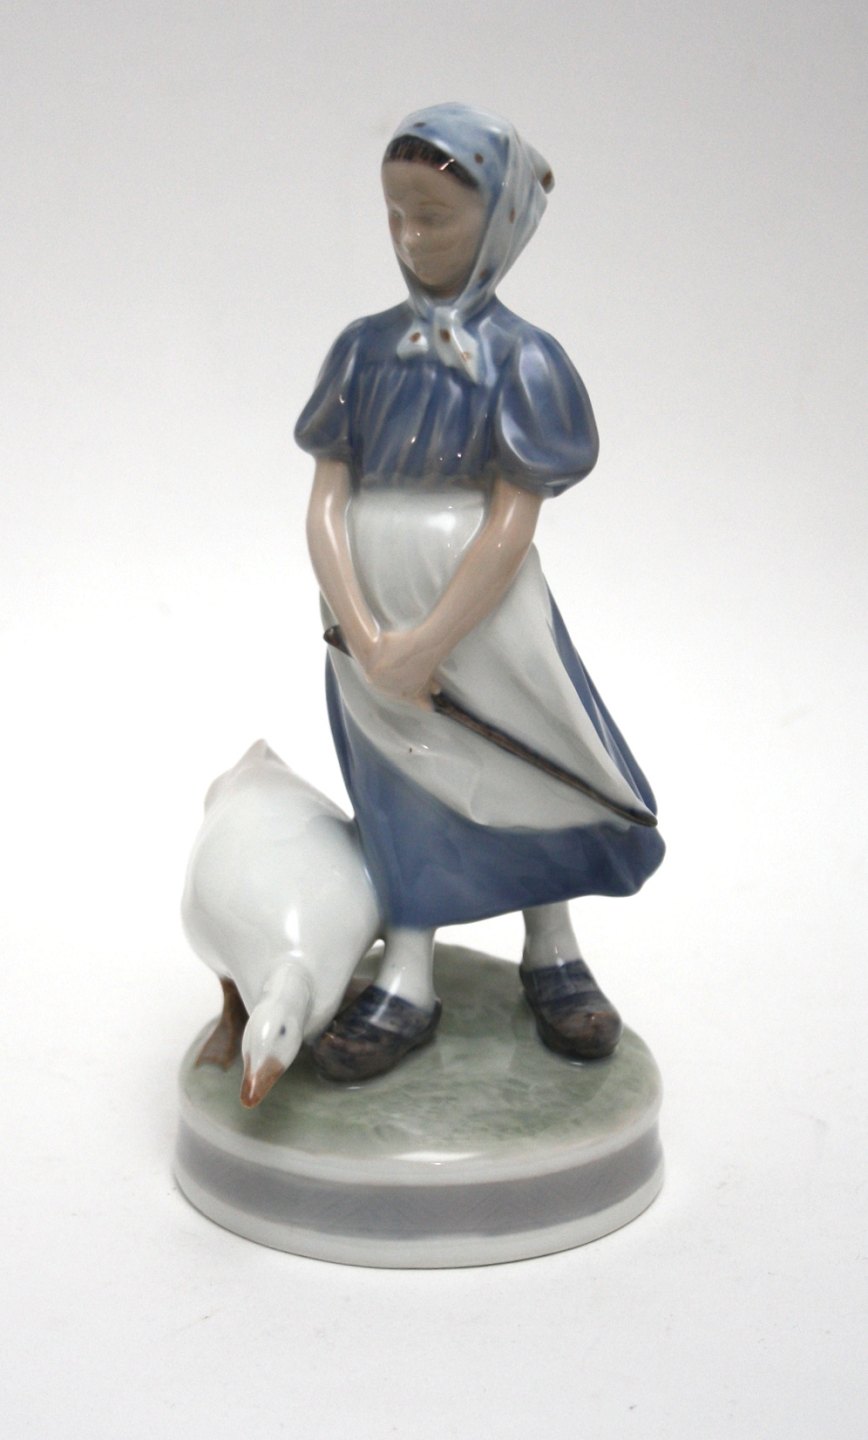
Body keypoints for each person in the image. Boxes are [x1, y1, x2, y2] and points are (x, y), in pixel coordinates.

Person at [295, 103, 664, 1081]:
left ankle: (553, 947)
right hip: (369, 605)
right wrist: (365, 631)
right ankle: (407, 969)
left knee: (527, 761)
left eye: (435, 216)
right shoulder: (361, 350)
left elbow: (511, 520)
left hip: (482, 609)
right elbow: (325, 501)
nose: (410, 238)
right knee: (400, 777)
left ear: (497, 221)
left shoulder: (525, 359)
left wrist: (429, 642)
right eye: (395, 215)